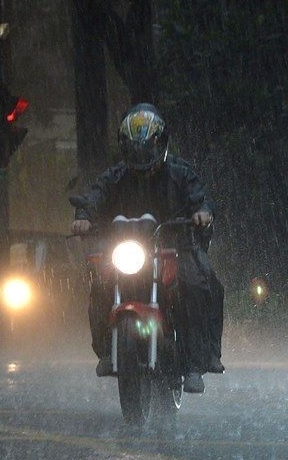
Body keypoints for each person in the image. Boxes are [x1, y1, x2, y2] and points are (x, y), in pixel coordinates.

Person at [71, 103, 225, 393]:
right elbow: (95, 195)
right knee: (101, 283)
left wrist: (201, 211)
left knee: (197, 283)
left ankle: (197, 361)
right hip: (127, 249)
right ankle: (106, 350)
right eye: (134, 149)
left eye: (147, 149)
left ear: (160, 143)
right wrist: (83, 217)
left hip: (174, 246)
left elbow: (199, 197)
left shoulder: (180, 173)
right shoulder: (117, 176)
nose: (141, 157)